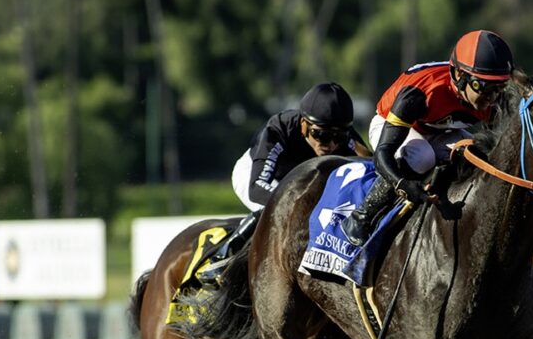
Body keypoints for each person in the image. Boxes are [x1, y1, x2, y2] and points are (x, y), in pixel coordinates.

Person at [341, 29, 514, 246]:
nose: (492, 97)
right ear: (459, 76)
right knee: (422, 156)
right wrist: (403, 184)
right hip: (388, 124)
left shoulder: (493, 100)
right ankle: (362, 217)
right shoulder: (421, 93)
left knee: (476, 155)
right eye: (484, 87)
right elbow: (382, 153)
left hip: (436, 129)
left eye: (499, 87)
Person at [197, 82, 369, 286]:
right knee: (276, 211)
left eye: (338, 137)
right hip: (259, 176)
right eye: (320, 135)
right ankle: (222, 258)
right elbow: (257, 187)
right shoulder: (279, 128)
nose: (331, 144)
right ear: (304, 124)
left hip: (305, 181)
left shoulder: (348, 140)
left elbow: (370, 172)